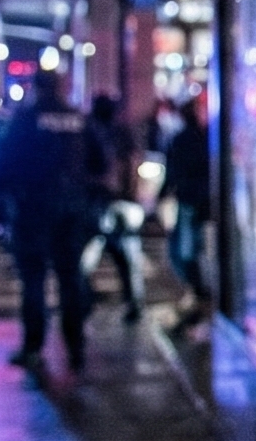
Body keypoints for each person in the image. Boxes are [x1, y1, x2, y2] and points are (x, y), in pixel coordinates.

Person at [0, 70, 106, 371]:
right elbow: (101, 164)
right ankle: (76, 346)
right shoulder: (78, 119)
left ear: (36, 88)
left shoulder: (26, 119)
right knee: (70, 279)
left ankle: (33, 347)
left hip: (33, 211)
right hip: (71, 210)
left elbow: (1, 165)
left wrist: (4, 203)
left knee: (34, 281)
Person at [81, 93, 146, 323]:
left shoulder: (93, 133)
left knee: (92, 253)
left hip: (104, 202)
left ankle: (85, 299)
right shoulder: (119, 133)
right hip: (119, 202)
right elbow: (133, 165)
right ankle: (133, 303)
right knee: (126, 256)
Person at [158, 91, 213, 318]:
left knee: (184, 250)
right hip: (198, 199)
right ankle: (197, 291)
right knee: (189, 248)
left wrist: (162, 195)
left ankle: (198, 292)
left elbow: (172, 173)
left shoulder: (182, 139)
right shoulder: (205, 137)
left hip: (189, 200)